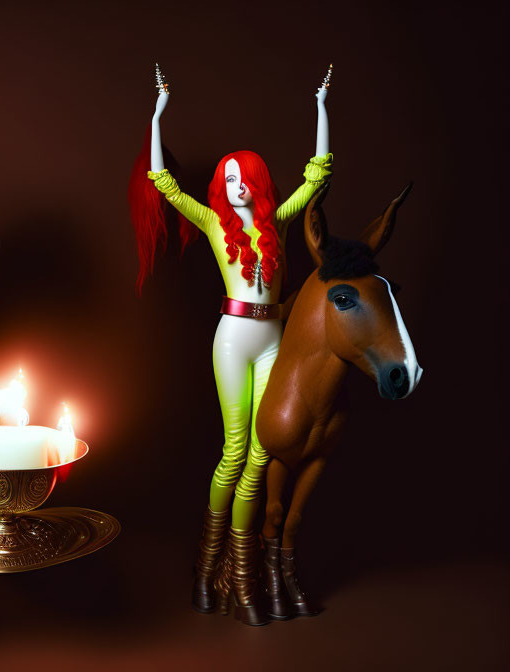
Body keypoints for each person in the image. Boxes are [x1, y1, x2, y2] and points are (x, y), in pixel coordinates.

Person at [129, 65, 333, 625]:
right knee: (234, 451)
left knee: (264, 454)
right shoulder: (216, 223)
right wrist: (157, 114)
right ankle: (206, 569)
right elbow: (162, 181)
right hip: (233, 338)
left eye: (246, 177)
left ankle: (239, 577)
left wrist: (320, 107)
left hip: (273, 339)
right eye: (230, 178)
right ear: (222, 185)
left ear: (260, 183)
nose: (239, 186)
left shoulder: (280, 222)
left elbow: (316, 177)